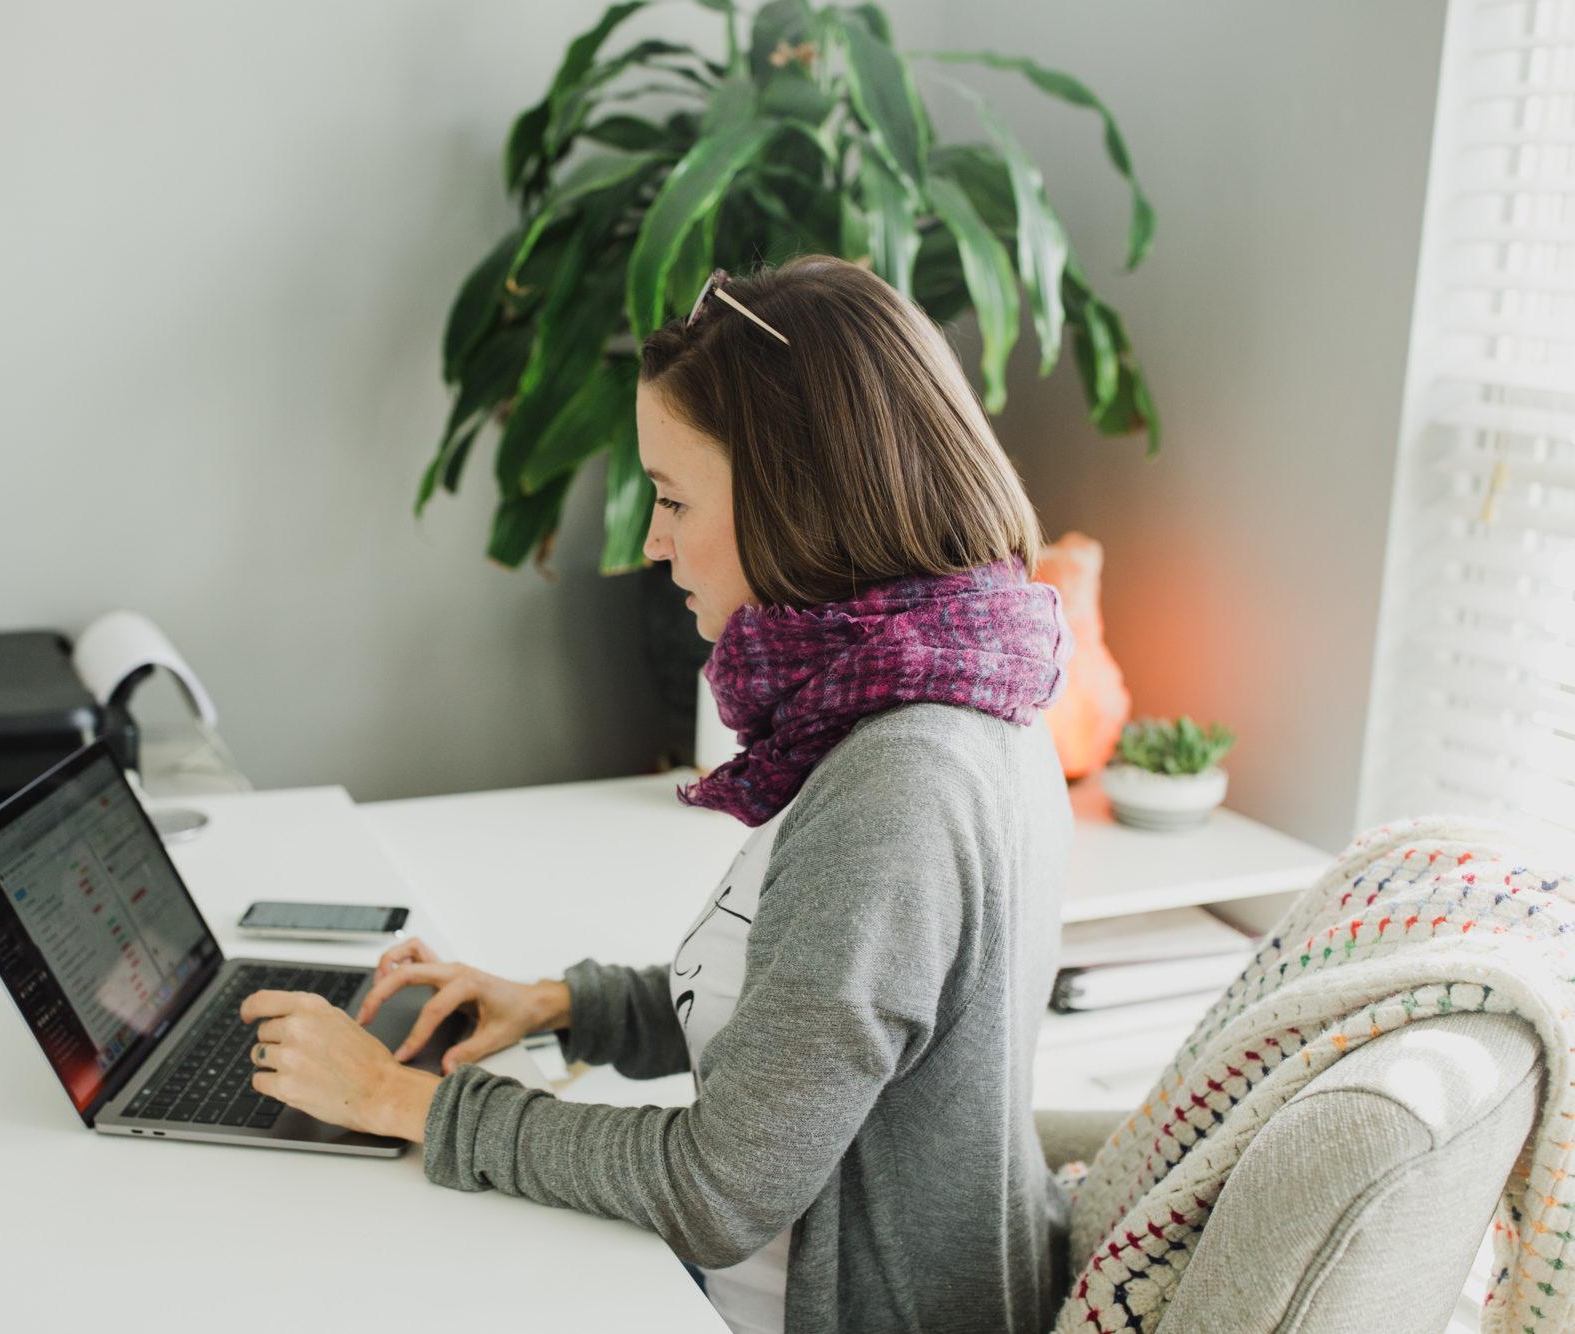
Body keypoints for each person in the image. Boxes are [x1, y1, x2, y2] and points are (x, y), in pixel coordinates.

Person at [238, 255, 1074, 1334]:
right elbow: (801, 1020)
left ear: (799, 499)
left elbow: (717, 1188)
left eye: (673, 498)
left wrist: (400, 1101)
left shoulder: (899, 786)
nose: (651, 541)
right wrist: (560, 1005)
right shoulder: (966, 675)